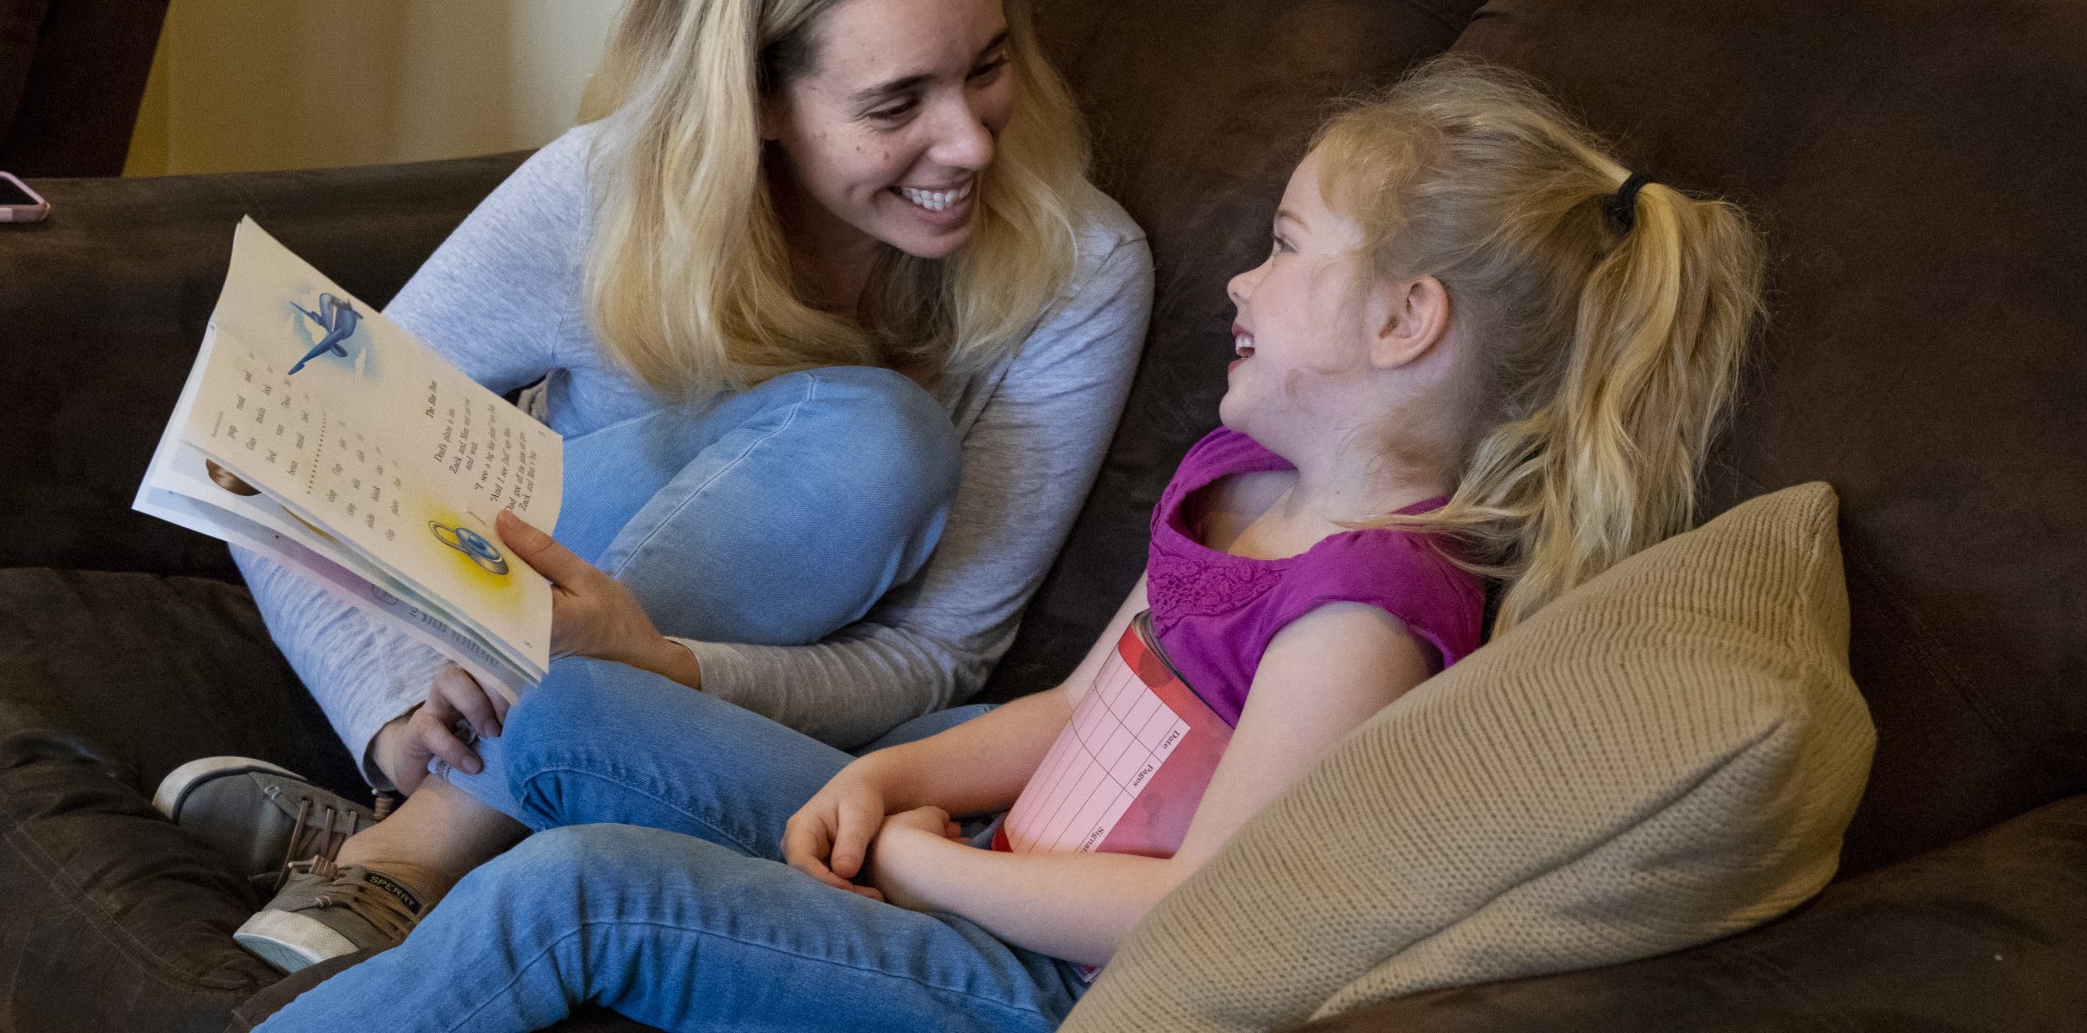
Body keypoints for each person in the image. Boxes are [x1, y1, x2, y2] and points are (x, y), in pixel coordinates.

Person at [250, 57, 1768, 1031]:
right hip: (983, 838)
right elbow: (1075, 709)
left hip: (1034, 977)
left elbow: (1204, 910)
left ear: (1404, 320)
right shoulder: (1243, 473)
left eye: (1289, 246)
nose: (1238, 277)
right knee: (572, 700)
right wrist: (894, 776)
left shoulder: (1364, 611)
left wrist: (927, 868)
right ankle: (372, 852)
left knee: (574, 890)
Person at [158, 0, 1156, 971]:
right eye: (896, 104)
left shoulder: (1080, 269)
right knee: (874, 434)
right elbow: (270, 436)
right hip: (484, 642)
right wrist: (386, 718)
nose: (973, 143)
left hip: (738, 716)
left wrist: (662, 667)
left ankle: (408, 855)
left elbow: (941, 659)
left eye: (987, 68)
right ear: (760, 102)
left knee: (877, 446)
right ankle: (427, 810)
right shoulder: (605, 196)